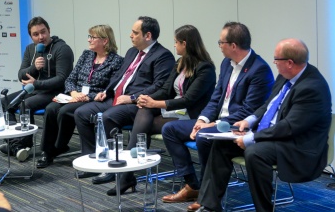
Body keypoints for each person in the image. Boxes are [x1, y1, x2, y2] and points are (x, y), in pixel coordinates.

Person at [195, 38, 332, 212]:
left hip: (297, 145)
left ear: (289, 63)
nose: (274, 63)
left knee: (255, 152)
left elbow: (289, 127)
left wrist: (252, 137)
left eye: (276, 59)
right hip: (273, 136)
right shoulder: (285, 76)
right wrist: (249, 120)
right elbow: (268, 104)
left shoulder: (312, 88)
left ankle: (263, 209)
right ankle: (210, 205)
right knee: (221, 143)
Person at [161, 22, 274, 209]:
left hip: (237, 125)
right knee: (170, 130)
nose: (219, 46)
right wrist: (202, 120)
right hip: (214, 122)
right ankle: (193, 185)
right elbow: (215, 98)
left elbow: (249, 110)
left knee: (204, 137)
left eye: (221, 42)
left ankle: (207, 197)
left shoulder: (259, 70)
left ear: (233, 46)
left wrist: (214, 123)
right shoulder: (226, 63)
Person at [106, 25, 217, 196]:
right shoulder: (181, 63)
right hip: (173, 112)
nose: (174, 46)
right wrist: (144, 98)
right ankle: (128, 173)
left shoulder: (205, 69)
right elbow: (165, 90)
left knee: (143, 124)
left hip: (192, 115)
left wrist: (154, 103)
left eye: (176, 42)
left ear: (185, 44)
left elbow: (188, 100)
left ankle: (128, 174)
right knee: (143, 113)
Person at [74, 16, 175, 182]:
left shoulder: (163, 56)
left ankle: (114, 167)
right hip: (116, 98)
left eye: (135, 33)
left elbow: (159, 86)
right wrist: (106, 91)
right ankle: (94, 161)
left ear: (147, 36)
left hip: (138, 103)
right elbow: (120, 77)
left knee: (108, 117)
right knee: (81, 113)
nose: (130, 35)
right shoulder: (132, 51)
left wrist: (132, 98)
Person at [36, 25, 124, 168]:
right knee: (51, 108)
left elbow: (111, 88)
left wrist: (87, 96)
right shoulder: (86, 55)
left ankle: (58, 147)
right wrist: (74, 93)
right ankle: (46, 151)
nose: (89, 40)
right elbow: (70, 79)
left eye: (92, 37)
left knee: (65, 111)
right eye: (89, 37)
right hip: (75, 94)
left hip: (93, 98)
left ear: (105, 41)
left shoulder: (117, 61)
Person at [0, 16, 74, 162]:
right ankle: (16, 145)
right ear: (31, 36)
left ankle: (24, 143)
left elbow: (62, 79)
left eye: (43, 32)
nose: (41, 37)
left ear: (49, 30)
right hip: (35, 89)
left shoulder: (62, 49)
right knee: (3, 102)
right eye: (36, 34)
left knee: (25, 104)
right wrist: (34, 67)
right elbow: (21, 73)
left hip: (55, 92)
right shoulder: (30, 49)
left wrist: (36, 84)